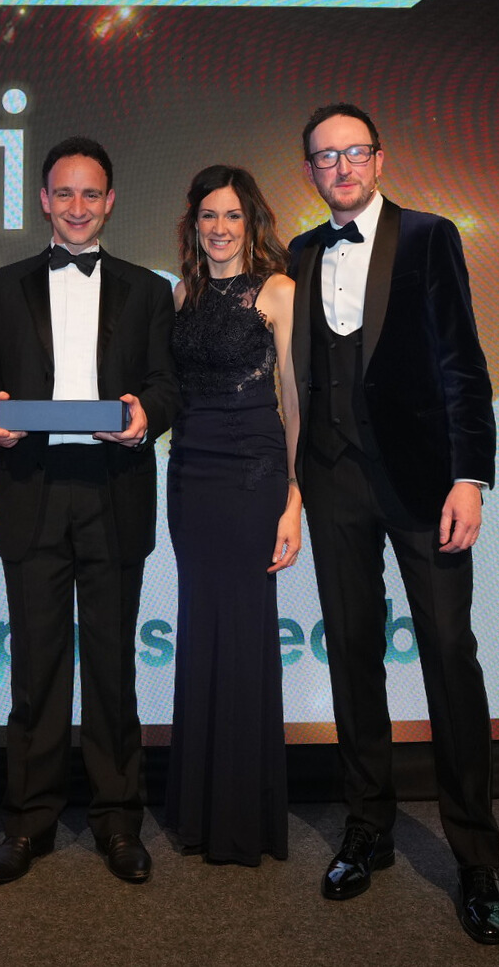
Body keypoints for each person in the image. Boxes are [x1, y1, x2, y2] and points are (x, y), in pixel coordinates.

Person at [288, 103, 499, 944]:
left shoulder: (428, 236)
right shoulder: (299, 254)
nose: (341, 167)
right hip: (333, 480)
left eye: (353, 152)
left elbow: (462, 362)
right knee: (351, 653)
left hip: (424, 484)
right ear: (310, 171)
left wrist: (468, 477)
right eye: (325, 156)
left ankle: (476, 858)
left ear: (378, 160)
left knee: (449, 654)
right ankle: (367, 829)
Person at [0, 137, 179, 885]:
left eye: (91, 194)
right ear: (43, 200)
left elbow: (167, 384)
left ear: (110, 201)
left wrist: (144, 415)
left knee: (114, 669)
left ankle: (119, 822)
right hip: (32, 489)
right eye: (64, 193)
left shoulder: (149, 290)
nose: (77, 207)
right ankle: (28, 825)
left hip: (115, 490)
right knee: (36, 667)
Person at [162, 165, 302, 867]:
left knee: (244, 635)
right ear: (194, 224)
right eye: (208, 216)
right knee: (199, 630)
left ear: (252, 224)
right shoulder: (181, 294)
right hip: (189, 475)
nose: (219, 228)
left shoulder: (278, 291)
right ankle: (198, 811)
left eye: (232, 216)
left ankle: (241, 818)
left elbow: (295, 399)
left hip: (253, 474)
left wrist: (295, 499)